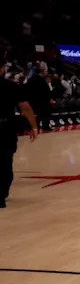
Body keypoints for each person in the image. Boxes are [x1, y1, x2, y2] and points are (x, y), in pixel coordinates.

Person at [1, 54, 39, 208]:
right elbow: (26, 108)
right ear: (2, 68)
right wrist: (34, 126)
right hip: (5, 128)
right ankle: (1, 194)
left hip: (6, 127)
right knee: (5, 161)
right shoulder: (11, 86)